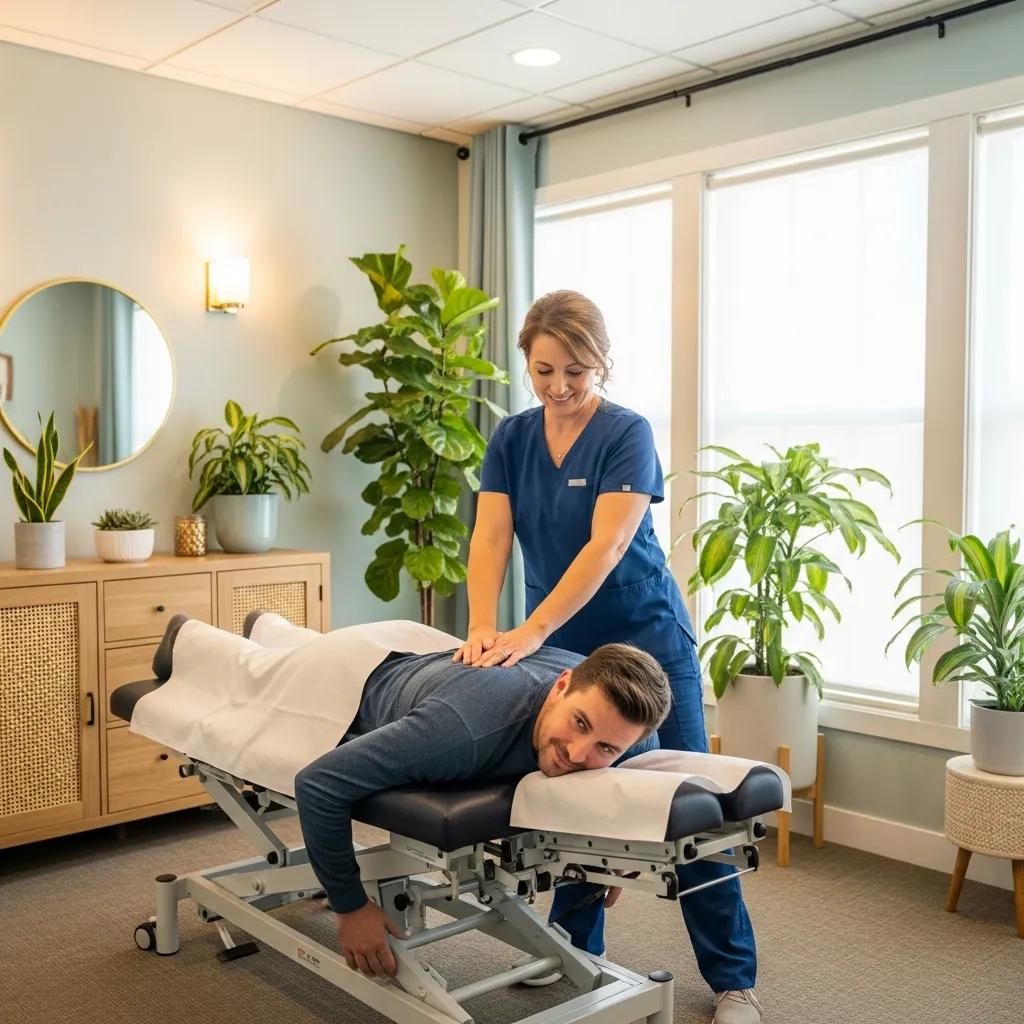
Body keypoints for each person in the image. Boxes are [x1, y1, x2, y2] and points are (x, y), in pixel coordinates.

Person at [453, 290, 762, 1024]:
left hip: (647, 638)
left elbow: (608, 545)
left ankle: (733, 982)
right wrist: (480, 628)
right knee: (574, 792)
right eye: (543, 370)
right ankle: (571, 948)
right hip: (563, 644)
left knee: (695, 810)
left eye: (577, 371)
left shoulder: (627, 432)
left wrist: (526, 632)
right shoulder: (512, 439)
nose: (559, 387)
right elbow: (492, 538)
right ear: (526, 364)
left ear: (602, 363)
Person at [293, 639, 671, 979]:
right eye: (579, 723)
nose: (576, 753)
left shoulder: (635, 735)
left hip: (432, 661)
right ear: (560, 686)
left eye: (606, 748)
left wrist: (621, 836)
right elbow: (319, 784)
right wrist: (351, 906)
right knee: (270, 655)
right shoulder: (460, 731)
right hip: (350, 676)